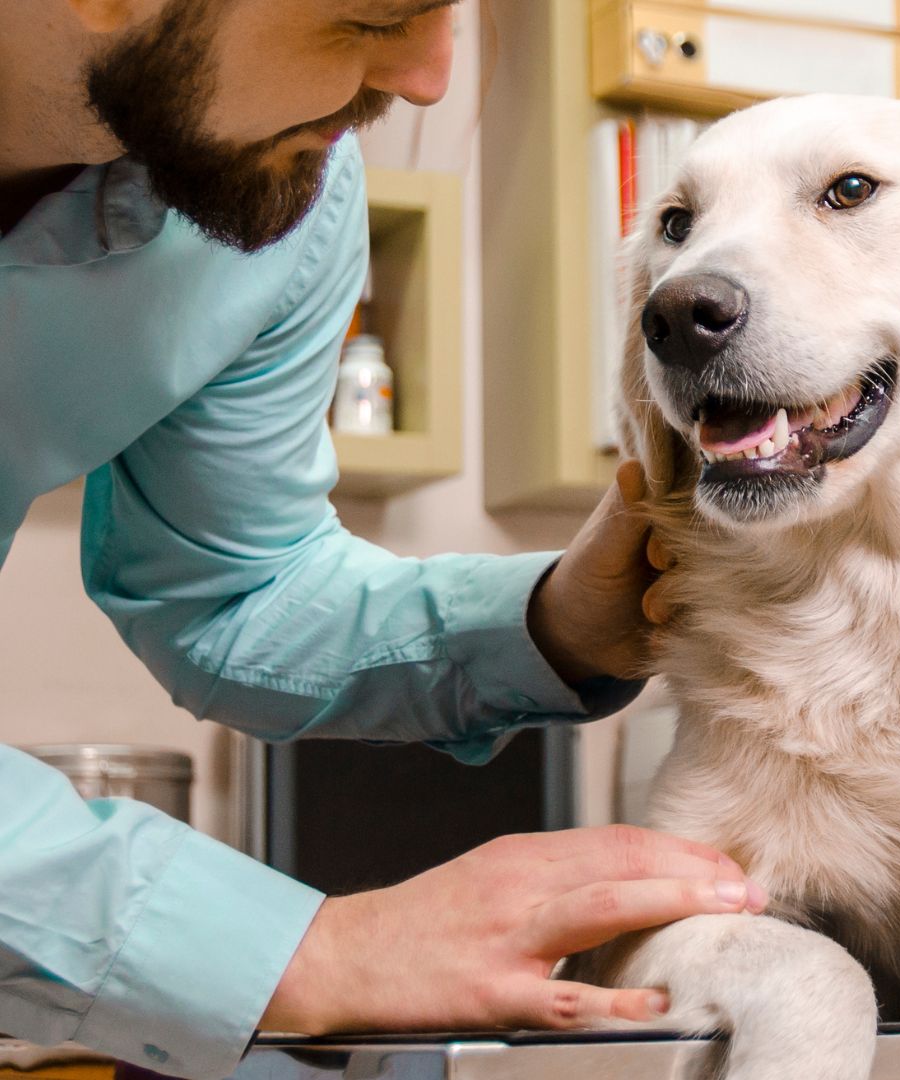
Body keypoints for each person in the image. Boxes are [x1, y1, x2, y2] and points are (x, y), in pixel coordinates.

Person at [0, 2, 762, 1076]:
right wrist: (304, 954)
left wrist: (551, 624)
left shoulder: (280, 190)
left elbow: (234, 594)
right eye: (370, 15)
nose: (428, 79)